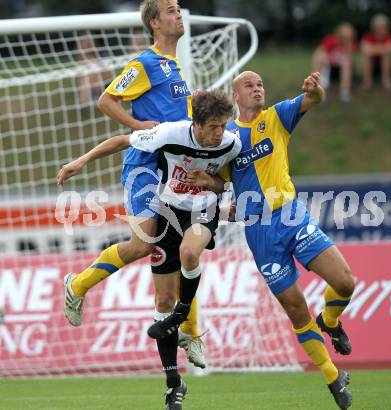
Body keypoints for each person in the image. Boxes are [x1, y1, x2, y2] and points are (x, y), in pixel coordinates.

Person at [160, 71, 356, 409]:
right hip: (259, 230)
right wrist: (210, 184)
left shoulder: (277, 117)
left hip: (291, 216)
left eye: (261, 84)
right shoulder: (227, 138)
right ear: (237, 95)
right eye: (250, 85)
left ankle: (331, 321)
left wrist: (316, 90)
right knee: (295, 309)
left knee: (346, 282)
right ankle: (331, 375)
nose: (258, 89)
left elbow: (314, 100)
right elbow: (223, 183)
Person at [58, 90, 241, 409]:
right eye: (213, 126)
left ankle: (186, 321)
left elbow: (231, 183)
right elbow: (122, 141)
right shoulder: (171, 133)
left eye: (222, 126)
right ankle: (173, 383)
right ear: (196, 123)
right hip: (171, 209)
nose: (219, 133)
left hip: (202, 209)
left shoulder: (231, 143)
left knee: (189, 253)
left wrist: (213, 186)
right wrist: (81, 161)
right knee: (162, 299)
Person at [63, 0, 207, 370]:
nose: (179, 14)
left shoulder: (175, 68)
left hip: (175, 171)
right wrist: (137, 125)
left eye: (179, 9)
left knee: (184, 249)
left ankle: (191, 332)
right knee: (143, 244)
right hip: (145, 168)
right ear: (155, 23)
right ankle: (78, 286)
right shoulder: (146, 63)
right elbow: (106, 100)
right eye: (172, 10)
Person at [312, 22, 356, 102]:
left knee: (346, 62)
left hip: (342, 69)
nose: (345, 38)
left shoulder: (350, 43)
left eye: (348, 36)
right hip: (329, 66)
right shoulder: (331, 40)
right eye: (344, 36)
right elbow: (322, 52)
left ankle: (344, 91)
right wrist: (329, 60)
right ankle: (318, 88)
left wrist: (347, 44)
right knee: (319, 58)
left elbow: (349, 58)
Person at [360, 13, 391, 91]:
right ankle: (367, 83)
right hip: (372, 63)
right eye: (380, 28)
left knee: (386, 56)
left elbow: (390, 49)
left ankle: (386, 81)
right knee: (367, 57)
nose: (382, 30)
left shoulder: (388, 37)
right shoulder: (368, 36)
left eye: (384, 28)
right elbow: (365, 51)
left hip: (387, 64)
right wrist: (382, 48)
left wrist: (374, 48)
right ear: (374, 28)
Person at [76, 34, 112, 106]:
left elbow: (108, 75)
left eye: (89, 42)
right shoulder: (81, 58)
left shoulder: (98, 57)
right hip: (88, 87)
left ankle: (97, 96)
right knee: (87, 74)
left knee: (97, 69)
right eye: (85, 42)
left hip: (101, 84)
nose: (88, 45)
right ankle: (85, 102)